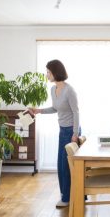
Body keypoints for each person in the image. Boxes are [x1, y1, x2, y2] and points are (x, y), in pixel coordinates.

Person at [29, 59, 80, 208]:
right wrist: (39, 111)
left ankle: (67, 198)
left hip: (71, 131)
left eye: (48, 72)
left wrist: (75, 134)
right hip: (62, 130)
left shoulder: (69, 90)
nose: (46, 75)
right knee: (62, 165)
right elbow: (55, 108)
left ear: (55, 72)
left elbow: (76, 112)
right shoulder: (53, 90)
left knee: (66, 166)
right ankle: (68, 195)